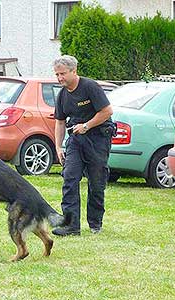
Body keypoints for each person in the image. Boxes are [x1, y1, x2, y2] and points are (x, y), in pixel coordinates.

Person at [52, 55, 114, 236]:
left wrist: (87, 125)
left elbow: (107, 111)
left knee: (96, 182)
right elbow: (60, 122)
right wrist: (58, 147)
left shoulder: (90, 87)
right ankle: (71, 226)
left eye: (62, 74)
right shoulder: (63, 94)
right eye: (57, 74)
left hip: (98, 138)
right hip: (76, 140)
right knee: (69, 178)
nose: (59, 78)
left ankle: (95, 224)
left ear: (74, 71)